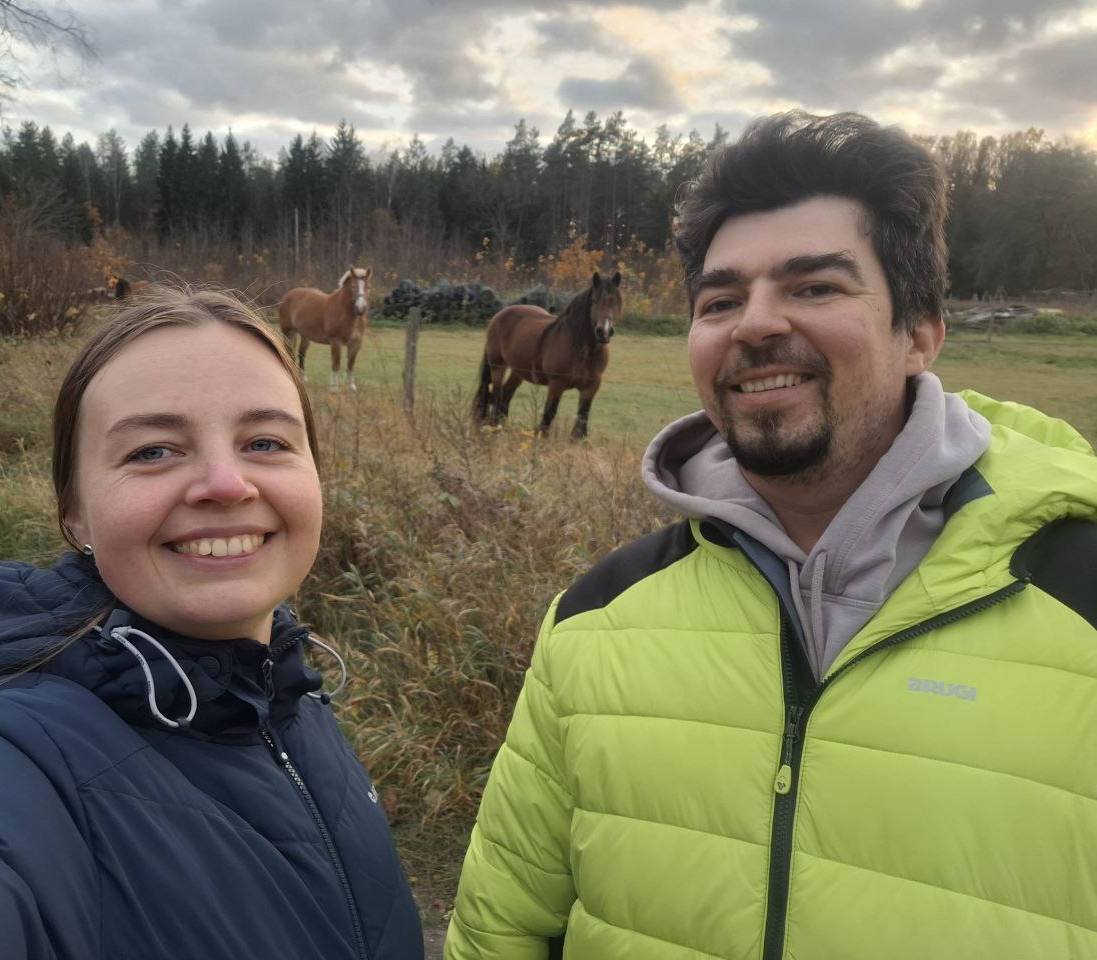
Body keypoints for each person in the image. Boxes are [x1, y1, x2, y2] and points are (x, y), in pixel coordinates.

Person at [445, 111, 1097, 959]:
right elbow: (499, 932)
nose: (752, 324)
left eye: (814, 286)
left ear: (920, 336)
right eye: (721, 300)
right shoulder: (596, 618)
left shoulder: (1079, 598)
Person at [0, 287, 424, 959]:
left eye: (265, 441)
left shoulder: (290, 700)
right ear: (74, 512)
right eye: (153, 452)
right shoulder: (2, 755)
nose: (226, 483)